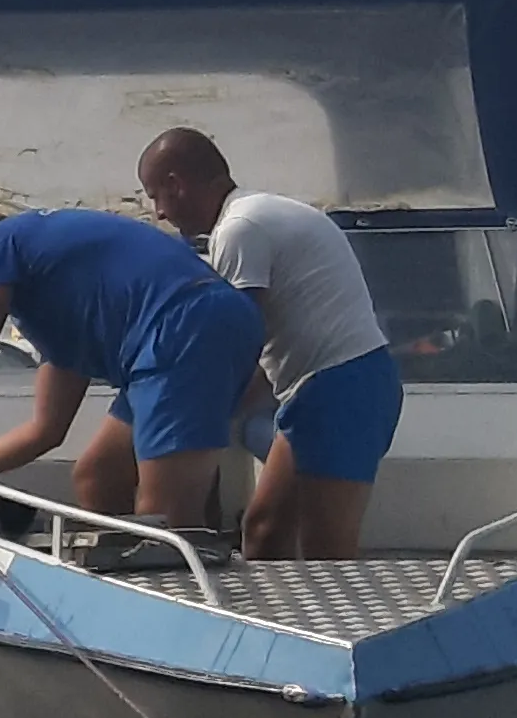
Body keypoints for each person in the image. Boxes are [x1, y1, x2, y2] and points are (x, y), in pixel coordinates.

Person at [0, 203, 271, 550]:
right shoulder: (58, 310)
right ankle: (131, 577)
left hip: (183, 327)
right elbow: (45, 430)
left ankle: (179, 597)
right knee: (99, 474)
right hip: (178, 336)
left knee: (164, 521)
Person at [128, 126, 401, 559]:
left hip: (342, 388)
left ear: (177, 184)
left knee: (326, 552)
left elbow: (238, 344)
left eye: (154, 195)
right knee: (263, 529)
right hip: (322, 389)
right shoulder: (256, 212)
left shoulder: (240, 228)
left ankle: (330, 627)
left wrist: (184, 428)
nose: (159, 213)